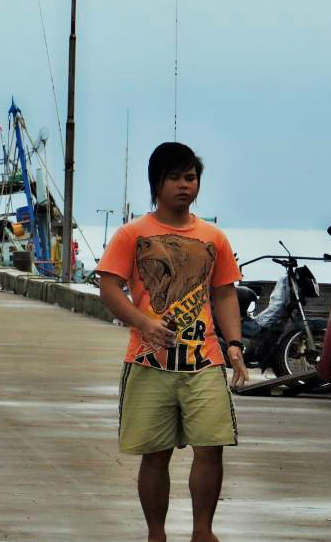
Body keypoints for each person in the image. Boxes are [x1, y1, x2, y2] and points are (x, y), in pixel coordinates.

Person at [97, 142, 248, 542]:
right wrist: (142, 323)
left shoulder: (213, 237)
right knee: (155, 453)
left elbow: (224, 293)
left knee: (212, 446)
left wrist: (234, 344)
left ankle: (203, 531)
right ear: (157, 184)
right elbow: (109, 287)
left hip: (204, 361)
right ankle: (156, 533)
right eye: (175, 178)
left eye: (191, 177)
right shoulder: (133, 234)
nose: (185, 185)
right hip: (149, 361)